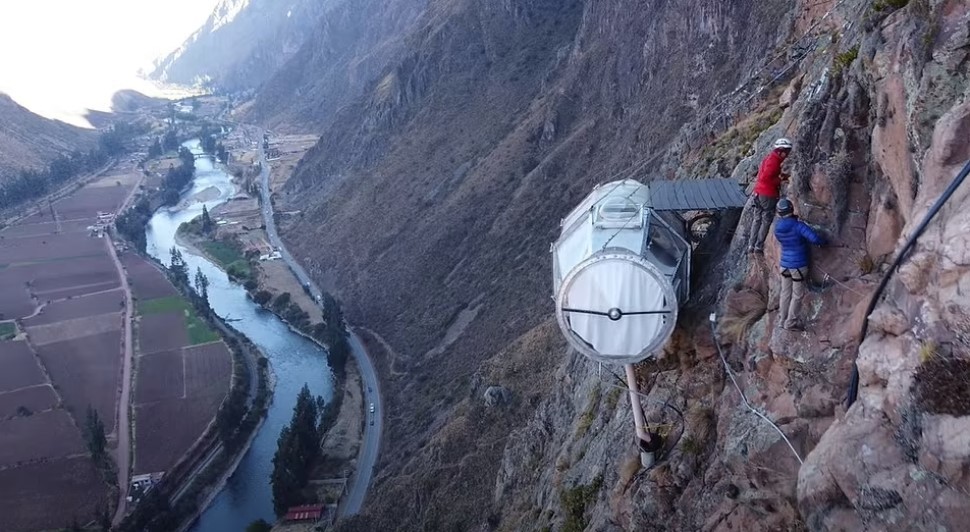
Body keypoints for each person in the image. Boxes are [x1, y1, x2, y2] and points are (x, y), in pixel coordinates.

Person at [773, 198, 826, 331]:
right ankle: (790, 322)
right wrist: (823, 242)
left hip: (784, 265)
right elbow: (814, 238)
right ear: (791, 209)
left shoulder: (777, 227)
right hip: (798, 265)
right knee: (797, 295)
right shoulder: (798, 226)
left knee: (785, 292)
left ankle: (782, 320)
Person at [747, 138, 793, 253]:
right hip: (767, 194)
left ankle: (751, 245)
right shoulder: (774, 161)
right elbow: (766, 178)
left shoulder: (769, 157)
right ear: (781, 150)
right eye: (787, 151)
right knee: (766, 220)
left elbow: (766, 175)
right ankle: (758, 246)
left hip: (758, 192)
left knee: (757, 219)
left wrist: (781, 176)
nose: (787, 155)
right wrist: (780, 180)